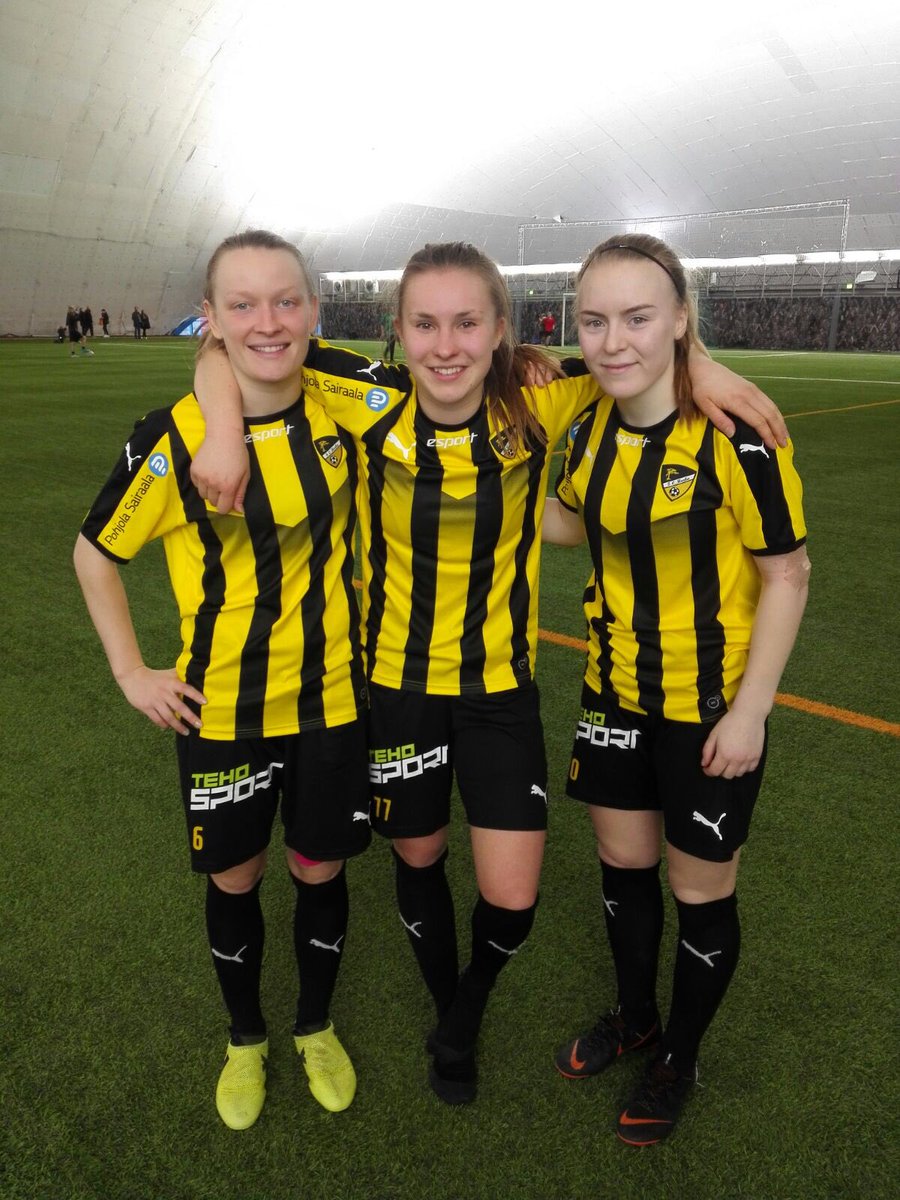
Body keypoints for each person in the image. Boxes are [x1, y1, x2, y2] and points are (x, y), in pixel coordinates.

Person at [191, 239, 788, 1108]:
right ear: (398, 331)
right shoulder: (365, 396)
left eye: (468, 323)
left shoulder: (541, 398)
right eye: (425, 324)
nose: (446, 346)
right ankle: (451, 1021)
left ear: (503, 329)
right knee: (420, 856)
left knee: (511, 898)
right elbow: (232, 346)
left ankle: (467, 1008)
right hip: (395, 688)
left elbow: (635, 353)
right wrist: (220, 428)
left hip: (501, 691)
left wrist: (702, 363)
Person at [73, 230, 371, 1131]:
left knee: (318, 867)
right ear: (212, 318)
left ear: (313, 312)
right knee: (236, 877)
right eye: (242, 305)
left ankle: (314, 1025)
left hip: (333, 700)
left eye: (285, 301)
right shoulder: (172, 437)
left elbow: (461, 369)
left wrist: (694, 361)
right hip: (221, 711)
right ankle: (246, 1038)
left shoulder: (348, 401)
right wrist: (131, 672)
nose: (267, 322)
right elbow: (95, 553)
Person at [542, 234, 809, 1146]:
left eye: (638, 318)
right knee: (621, 867)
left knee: (700, 889)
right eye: (595, 320)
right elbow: (572, 520)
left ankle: (679, 1057)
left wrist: (751, 712)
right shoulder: (588, 428)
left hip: (710, 711)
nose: (613, 341)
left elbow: (788, 575)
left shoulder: (737, 438)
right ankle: (634, 1016)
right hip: (614, 693)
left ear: (681, 321)